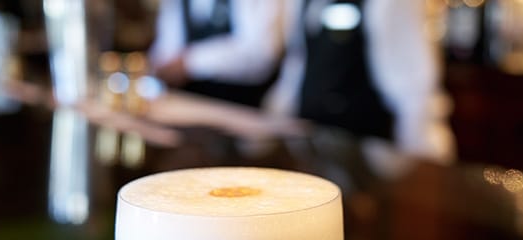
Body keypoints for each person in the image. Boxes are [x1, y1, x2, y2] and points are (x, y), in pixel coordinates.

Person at [264, 0, 456, 164]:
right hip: (312, 152)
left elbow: (414, 92)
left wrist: (424, 165)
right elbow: (296, 69)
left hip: (369, 160)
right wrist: (271, 132)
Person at [148, 0, 285, 107]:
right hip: (189, 102)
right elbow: (167, 45)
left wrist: (190, 63)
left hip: (240, 105)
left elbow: (262, 53)